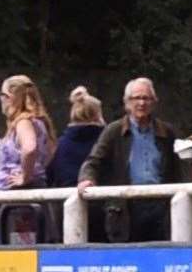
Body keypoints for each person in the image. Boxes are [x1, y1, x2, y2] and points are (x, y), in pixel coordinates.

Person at [76, 77, 180, 242]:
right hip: (126, 209)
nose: (141, 103)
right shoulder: (113, 131)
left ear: (154, 102)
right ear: (127, 103)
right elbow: (94, 160)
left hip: (161, 208)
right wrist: (86, 179)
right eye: (136, 98)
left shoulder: (167, 132)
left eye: (146, 98)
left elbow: (178, 168)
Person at [0, 75, 56, 244]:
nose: (1, 100)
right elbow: (50, 152)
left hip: (17, 202)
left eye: (2, 95)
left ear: (11, 97)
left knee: (15, 250)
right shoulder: (40, 122)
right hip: (31, 195)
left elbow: (30, 148)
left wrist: (25, 176)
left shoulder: (23, 122)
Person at [48, 86, 105, 187]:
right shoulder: (105, 141)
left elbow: (50, 175)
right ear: (98, 114)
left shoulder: (61, 144)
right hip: (100, 197)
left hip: (65, 198)